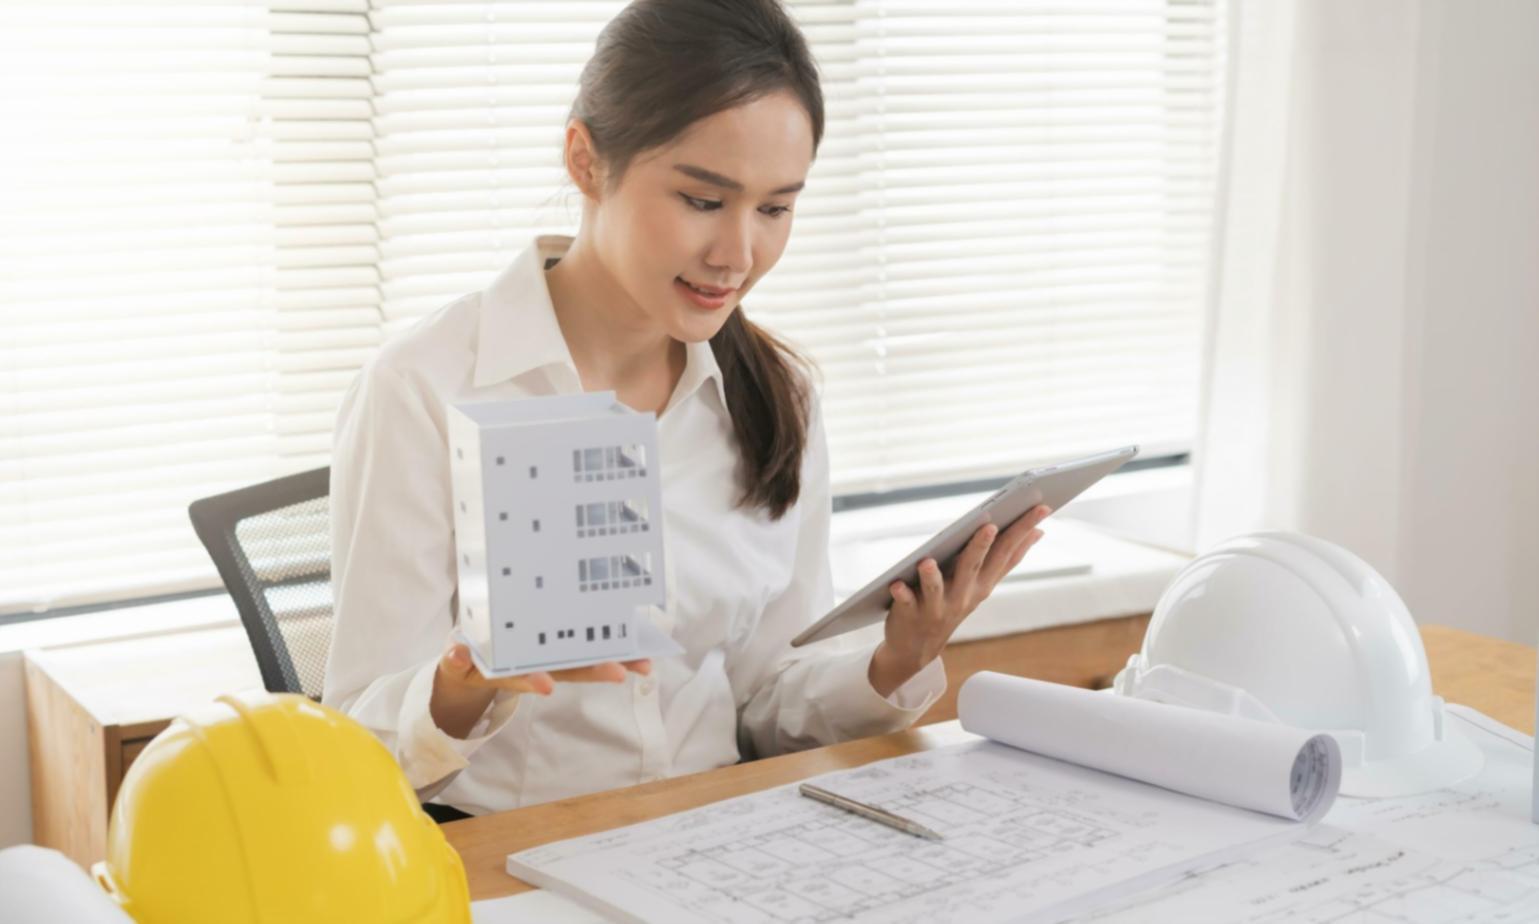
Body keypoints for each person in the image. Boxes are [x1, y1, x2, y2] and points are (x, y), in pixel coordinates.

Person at [322, 0, 1049, 818]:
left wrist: (894, 659)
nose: (737, 255)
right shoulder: (423, 390)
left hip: (717, 835)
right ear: (585, 162)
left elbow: (764, 704)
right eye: (703, 200)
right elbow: (356, 749)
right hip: (508, 853)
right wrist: (466, 683)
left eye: (774, 209)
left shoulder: (776, 397)